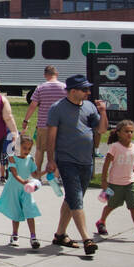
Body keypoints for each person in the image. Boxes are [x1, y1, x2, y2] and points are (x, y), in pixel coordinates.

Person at [46, 73, 107, 256]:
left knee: (72, 199)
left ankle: (59, 235)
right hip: (67, 160)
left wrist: (103, 111)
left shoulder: (89, 107)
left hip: (86, 161)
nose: (88, 92)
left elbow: (101, 129)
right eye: (84, 89)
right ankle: (87, 238)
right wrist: (51, 159)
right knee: (76, 198)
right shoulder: (57, 108)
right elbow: (51, 136)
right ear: (73, 91)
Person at [96, 120, 134, 244]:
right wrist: (104, 180)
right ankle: (101, 222)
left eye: (131, 131)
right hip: (115, 183)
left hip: (130, 183)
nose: (129, 134)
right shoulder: (115, 147)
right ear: (119, 133)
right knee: (111, 205)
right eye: (126, 131)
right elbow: (106, 164)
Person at [0, 134, 42, 250]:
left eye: (29, 149)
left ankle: (33, 237)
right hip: (14, 189)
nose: (27, 151)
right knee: (16, 213)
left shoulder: (30, 159)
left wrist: (46, 171)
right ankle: (15, 234)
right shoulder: (12, 158)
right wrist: (23, 181)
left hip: (26, 189)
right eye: (24, 148)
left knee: (30, 210)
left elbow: (35, 174)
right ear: (18, 147)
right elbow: (14, 174)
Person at [23, 65, 66, 176]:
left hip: (43, 124)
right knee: (58, 151)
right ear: (56, 74)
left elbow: (33, 105)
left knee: (40, 150)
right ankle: (57, 175)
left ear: (45, 75)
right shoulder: (64, 87)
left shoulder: (40, 88)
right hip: (60, 125)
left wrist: (26, 120)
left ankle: (37, 174)